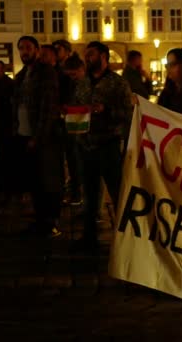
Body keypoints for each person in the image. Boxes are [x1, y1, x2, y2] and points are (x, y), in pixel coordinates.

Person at [72, 41, 133, 252]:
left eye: (91, 54)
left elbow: (128, 113)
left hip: (108, 145)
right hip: (85, 145)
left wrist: (106, 110)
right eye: (86, 55)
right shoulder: (82, 83)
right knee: (89, 194)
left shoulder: (118, 83)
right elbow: (77, 106)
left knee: (117, 193)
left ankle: (126, 238)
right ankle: (89, 237)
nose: (87, 58)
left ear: (103, 57)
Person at [14, 36, 65, 238]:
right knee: (34, 181)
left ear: (36, 50)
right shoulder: (21, 75)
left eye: (28, 48)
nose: (24, 51)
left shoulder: (46, 73)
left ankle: (50, 223)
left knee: (48, 181)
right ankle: (39, 220)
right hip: (24, 134)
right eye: (21, 48)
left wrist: (39, 135)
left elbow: (49, 107)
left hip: (44, 137)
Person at [40, 44, 81, 205]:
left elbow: (70, 96)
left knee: (72, 159)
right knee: (55, 161)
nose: (42, 58)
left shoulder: (62, 75)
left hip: (65, 122)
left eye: (46, 55)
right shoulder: (43, 74)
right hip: (51, 123)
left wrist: (64, 106)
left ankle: (75, 192)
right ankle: (59, 191)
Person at [0, 60, 15, 205]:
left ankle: (7, 189)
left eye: (0, 67)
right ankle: (2, 188)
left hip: (6, 124)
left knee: (6, 158)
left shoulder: (9, 83)